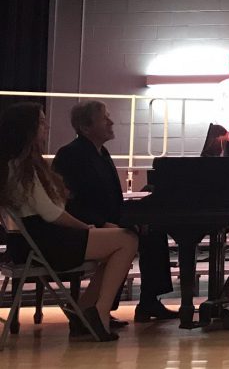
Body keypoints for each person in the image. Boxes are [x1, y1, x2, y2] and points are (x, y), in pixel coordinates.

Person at [0, 103, 138, 340]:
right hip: (44, 241)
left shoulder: (14, 165)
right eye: (41, 122)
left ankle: (82, 310)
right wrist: (87, 227)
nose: (47, 126)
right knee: (128, 240)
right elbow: (52, 214)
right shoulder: (22, 168)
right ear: (27, 130)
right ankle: (100, 312)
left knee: (118, 245)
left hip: (29, 240)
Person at [52, 101, 175, 325]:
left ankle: (149, 299)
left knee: (154, 229)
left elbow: (113, 199)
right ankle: (99, 307)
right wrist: (103, 223)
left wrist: (135, 219)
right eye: (104, 118)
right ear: (86, 127)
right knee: (130, 238)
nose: (111, 122)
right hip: (86, 224)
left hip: (108, 219)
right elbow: (67, 203)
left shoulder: (102, 153)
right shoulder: (70, 155)